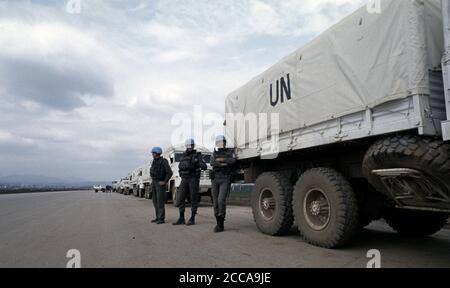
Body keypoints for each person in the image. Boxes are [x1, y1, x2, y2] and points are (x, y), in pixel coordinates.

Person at [173, 139, 207, 226]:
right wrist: (181, 175)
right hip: (184, 179)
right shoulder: (183, 156)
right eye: (188, 145)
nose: (190, 147)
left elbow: (204, 166)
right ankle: (181, 218)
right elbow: (180, 168)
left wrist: (198, 163)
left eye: (191, 145)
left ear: (193, 146)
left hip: (193, 179)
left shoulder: (197, 155)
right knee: (180, 198)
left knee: (193, 199)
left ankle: (192, 218)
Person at [210, 135, 237, 232]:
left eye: (222, 142)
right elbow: (212, 163)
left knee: (221, 200)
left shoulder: (229, 152)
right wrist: (224, 162)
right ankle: (218, 223)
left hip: (225, 179)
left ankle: (221, 223)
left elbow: (233, 161)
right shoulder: (214, 153)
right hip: (215, 179)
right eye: (219, 142)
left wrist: (222, 160)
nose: (221, 144)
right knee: (215, 202)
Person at [150, 147, 173, 224]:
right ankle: (157, 217)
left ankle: (161, 218)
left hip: (160, 183)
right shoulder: (154, 161)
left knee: (160, 201)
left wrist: (164, 181)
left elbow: (169, 172)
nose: (152, 154)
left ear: (156, 153)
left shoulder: (163, 161)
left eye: (153, 153)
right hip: (154, 182)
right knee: (155, 201)